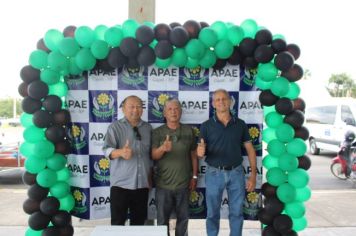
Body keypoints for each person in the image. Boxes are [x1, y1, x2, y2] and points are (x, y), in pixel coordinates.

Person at [197, 89, 257, 236]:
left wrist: (253, 176)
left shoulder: (241, 124)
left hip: (236, 173)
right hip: (213, 173)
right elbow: (199, 153)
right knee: (212, 213)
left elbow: (250, 150)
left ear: (230, 101)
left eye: (224, 99)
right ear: (213, 104)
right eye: (217, 100)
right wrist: (200, 151)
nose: (221, 102)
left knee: (236, 213)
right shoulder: (206, 125)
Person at [102, 95, 152, 225]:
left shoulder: (148, 128)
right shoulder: (115, 127)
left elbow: (150, 156)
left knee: (139, 224)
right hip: (121, 185)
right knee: (118, 224)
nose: (136, 110)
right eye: (132, 107)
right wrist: (121, 152)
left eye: (139, 106)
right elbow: (106, 150)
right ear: (123, 109)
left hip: (142, 185)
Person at [151, 98, 198, 236]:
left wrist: (194, 176)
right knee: (161, 222)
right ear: (164, 113)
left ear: (181, 112)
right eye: (170, 109)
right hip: (163, 185)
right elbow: (153, 156)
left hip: (184, 185)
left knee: (183, 221)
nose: (173, 112)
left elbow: (194, 155)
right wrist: (162, 149)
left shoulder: (189, 131)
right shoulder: (158, 132)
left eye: (176, 109)